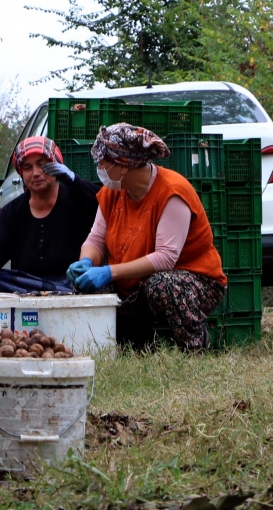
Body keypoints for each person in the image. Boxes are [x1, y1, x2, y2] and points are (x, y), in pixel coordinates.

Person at [70, 123, 227, 350]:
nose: (100, 167)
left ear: (123, 165)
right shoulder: (112, 192)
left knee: (162, 286)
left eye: (104, 161)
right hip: (133, 284)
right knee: (83, 286)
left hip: (193, 282)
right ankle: (126, 346)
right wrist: (86, 262)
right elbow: (96, 239)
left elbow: (165, 258)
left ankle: (194, 346)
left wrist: (108, 272)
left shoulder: (172, 192)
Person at [0, 137, 98, 294]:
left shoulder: (77, 199)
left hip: (73, 283)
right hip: (27, 287)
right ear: (21, 173)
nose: (36, 173)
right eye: (28, 168)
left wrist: (74, 180)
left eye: (42, 165)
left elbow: (105, 203)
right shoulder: (12, 212)